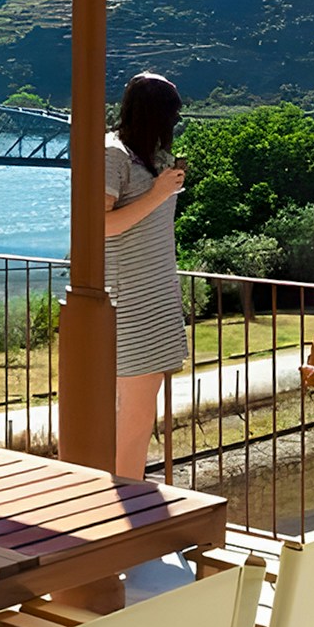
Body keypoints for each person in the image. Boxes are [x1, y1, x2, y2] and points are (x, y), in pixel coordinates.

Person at [104, 72, 189, 479]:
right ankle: (125, 507)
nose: (173, 125)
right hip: (129, 298)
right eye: (170, 116)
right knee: (135, 416)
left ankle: (128, 495)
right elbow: (98, 225)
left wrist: (163, 186)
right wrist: (158, 193)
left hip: (154, 294)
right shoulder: (112, 153)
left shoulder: (148, 155)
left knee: (142, 410)